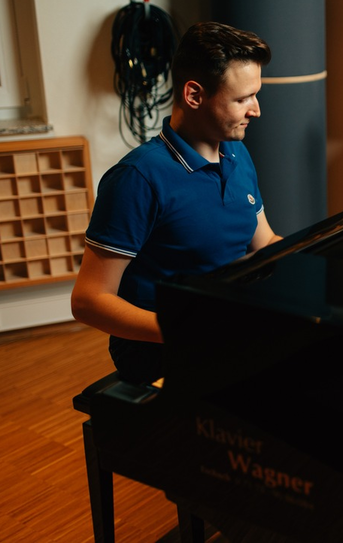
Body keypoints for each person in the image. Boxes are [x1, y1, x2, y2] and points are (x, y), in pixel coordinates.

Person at [72, 21, 282, 384]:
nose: (256, 110)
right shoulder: (138, 179)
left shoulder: (237, 153)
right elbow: (89, 301)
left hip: (225, 326)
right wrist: (189, 330)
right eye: (242, 99)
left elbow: (263, 243)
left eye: (255, 95)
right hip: (161, 349)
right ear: (194, 95)